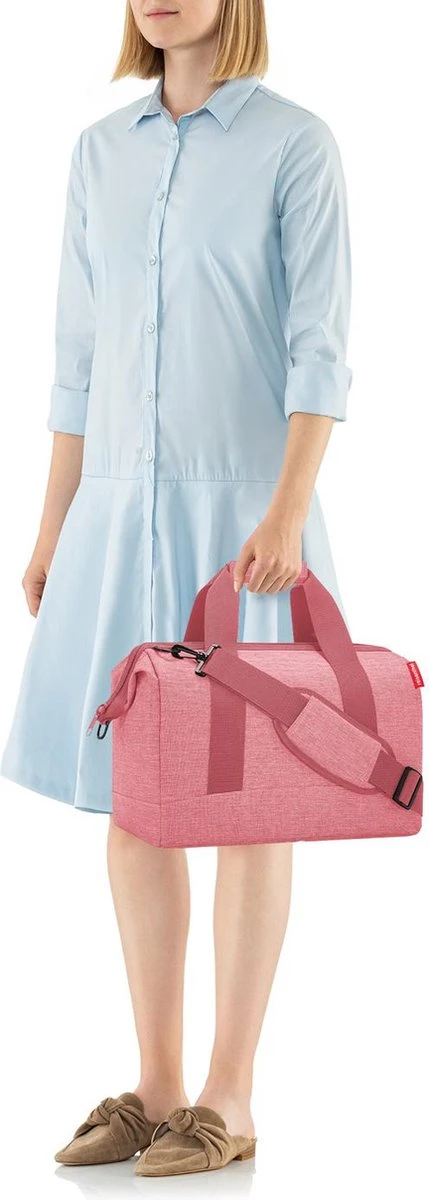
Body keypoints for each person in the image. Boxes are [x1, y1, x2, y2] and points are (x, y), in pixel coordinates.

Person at [0, 0, 353, 1177]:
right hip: (116, 517)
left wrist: (288, 511)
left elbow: (319, 350)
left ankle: (230, 1096)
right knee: (136, 799)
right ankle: (156, 1088)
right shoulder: (98, 153)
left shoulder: (295, 145)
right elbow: (76, 357)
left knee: (250, 802)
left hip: (244, 525)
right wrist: (54, 522)